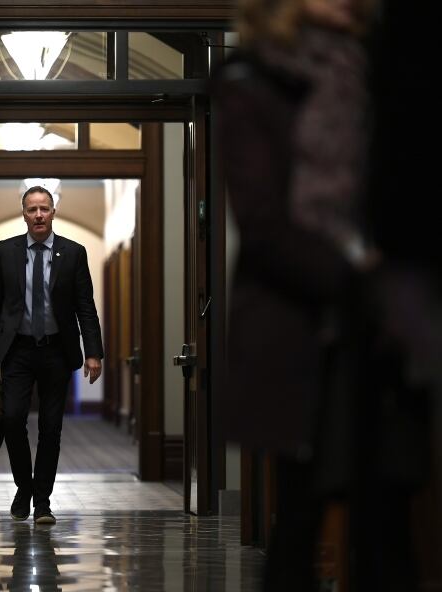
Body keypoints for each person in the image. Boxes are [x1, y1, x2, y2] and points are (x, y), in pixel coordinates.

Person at [210, 0, 376, 589]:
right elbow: (263, 223)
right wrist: (362, 280)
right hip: (300, 317)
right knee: (301, 518)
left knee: (390, 521)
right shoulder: (251, 81)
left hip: (392, 324)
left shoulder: (380, 69)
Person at [0, 185, 104, 525]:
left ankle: (43, 502)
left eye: (44, 209)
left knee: (51, 428)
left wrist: (93, 352)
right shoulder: (5, 252)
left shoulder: (74, 252)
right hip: (17, 350)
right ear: (24, 214)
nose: (38, 214)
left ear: (53, 212)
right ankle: (25, 487)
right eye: (32, 209)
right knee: (12, 418)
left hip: (56, 352)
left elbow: (85, 306)